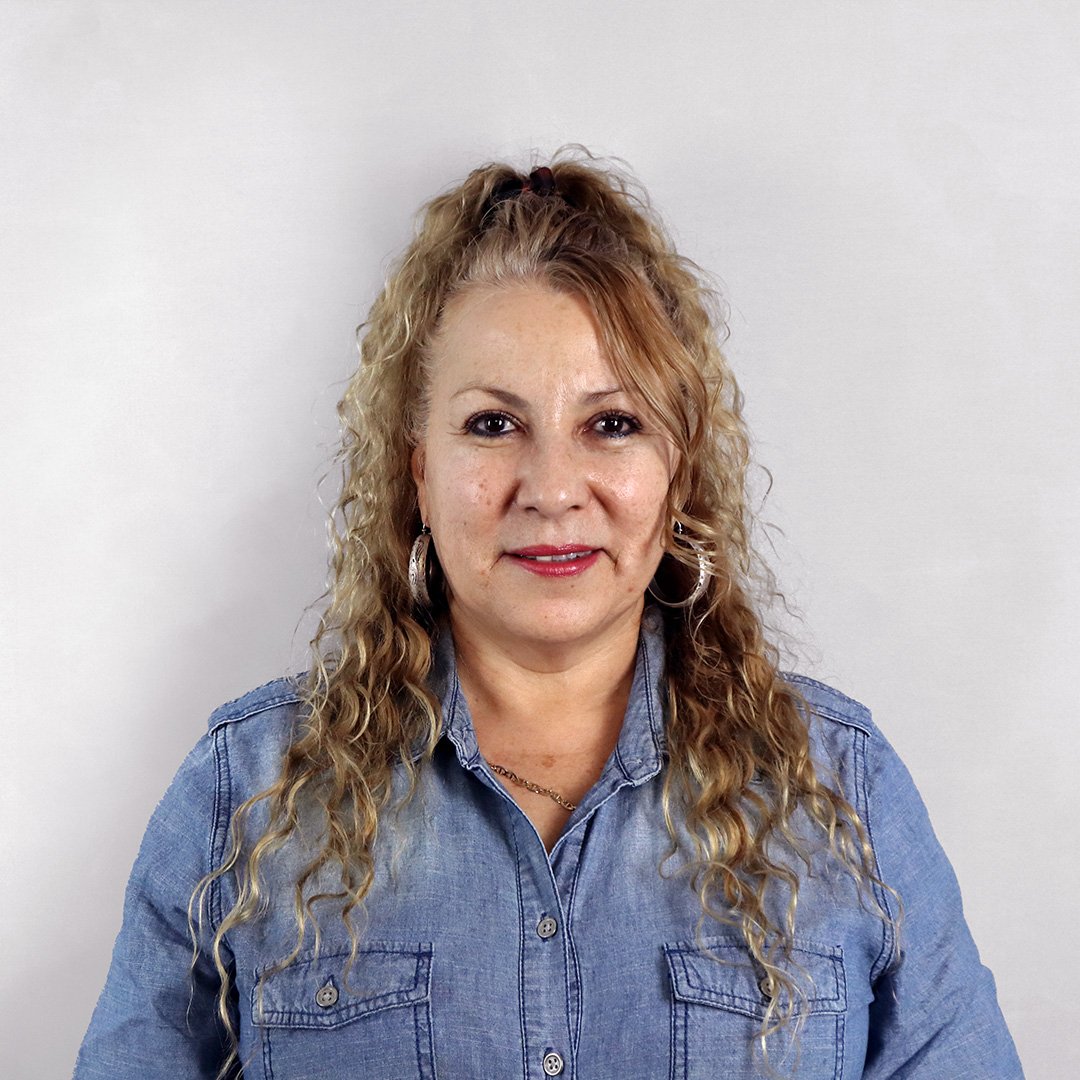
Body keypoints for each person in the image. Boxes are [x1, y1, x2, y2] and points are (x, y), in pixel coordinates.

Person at [74, 151, 1024, 1079]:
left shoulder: (840, 789)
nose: (554, 488)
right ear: (419, 470)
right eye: (494, 424)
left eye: (612, 424)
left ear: (677, 467)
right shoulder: (246, 792)